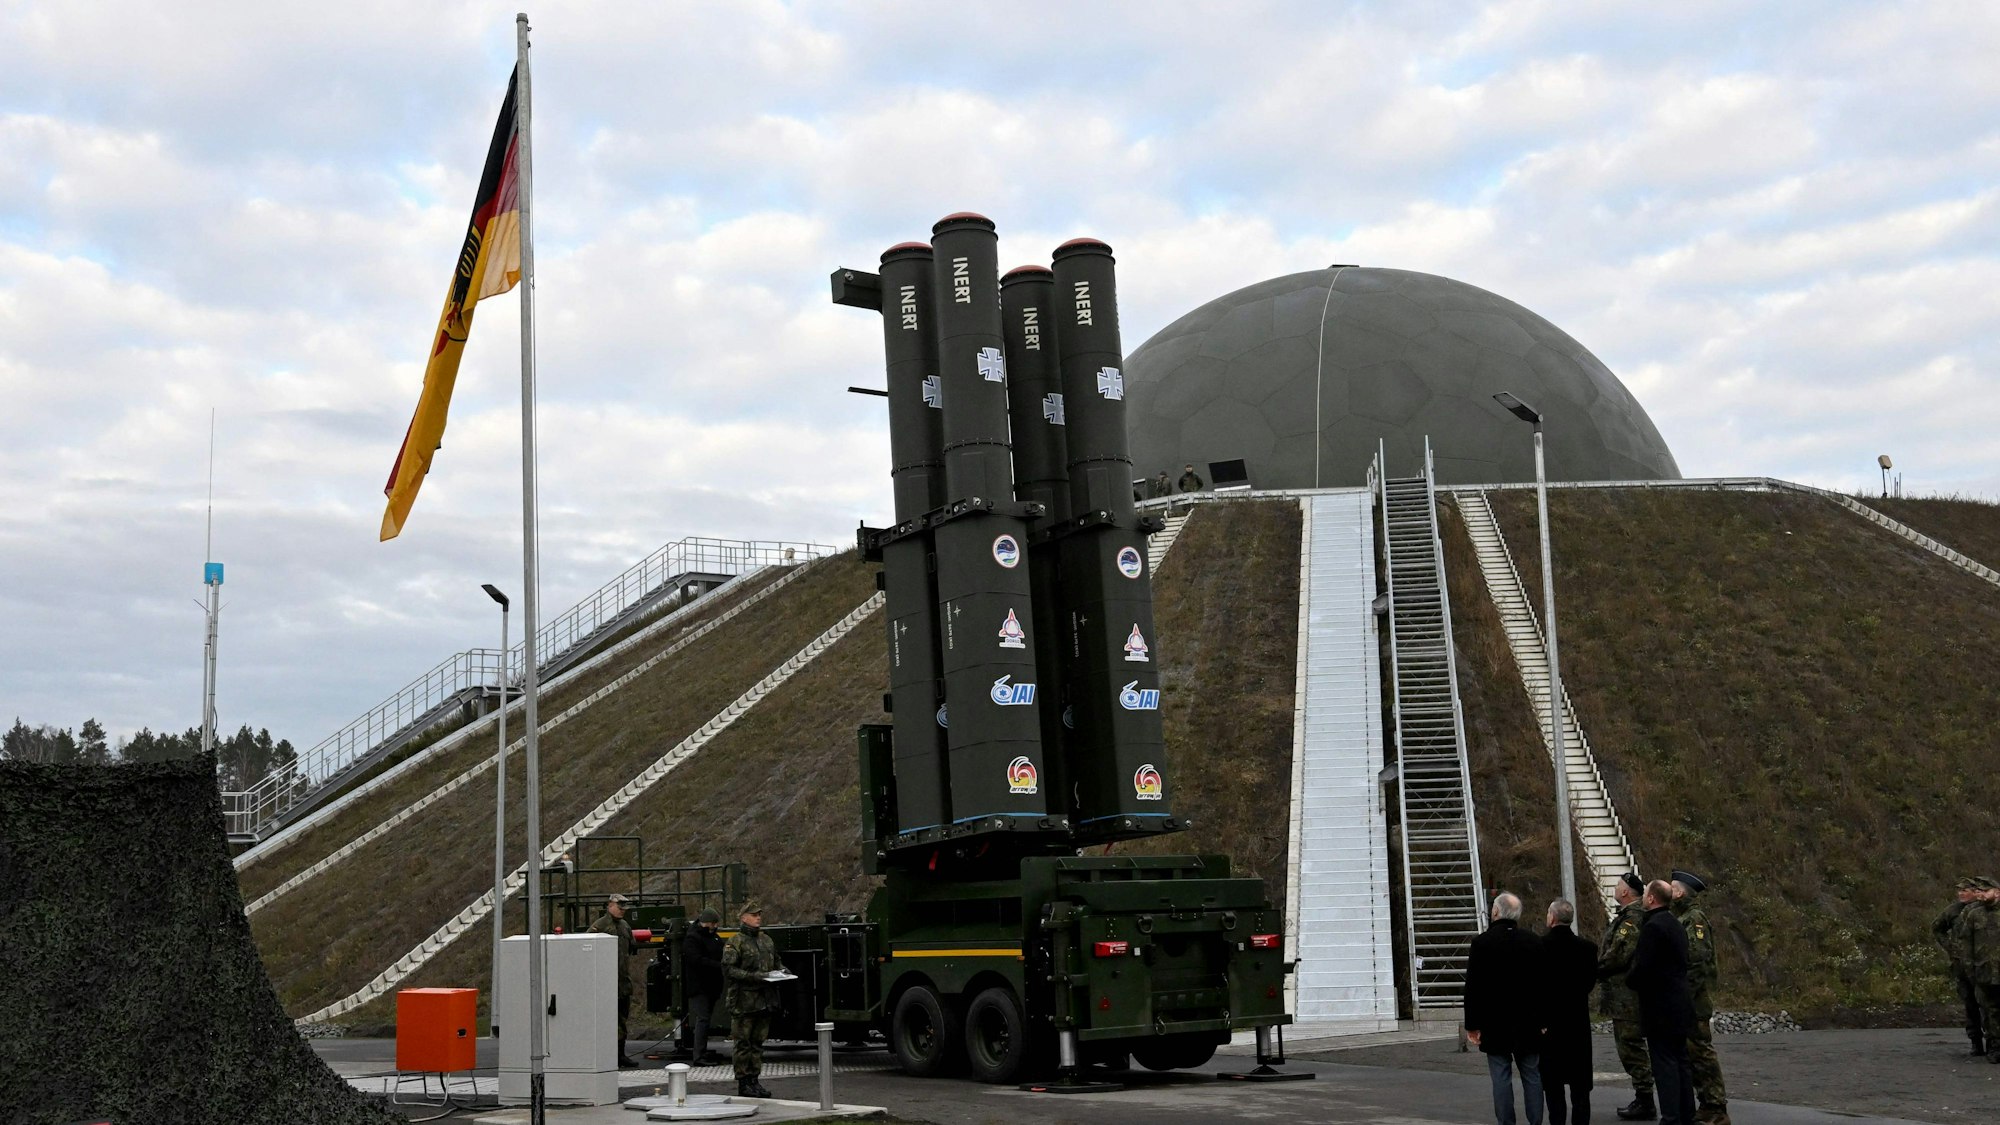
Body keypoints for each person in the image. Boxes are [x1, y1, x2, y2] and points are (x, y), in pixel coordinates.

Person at [1465, 892, 1545, 1125]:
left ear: (1496, 912)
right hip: (1528, 1022)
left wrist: (1472, 1024)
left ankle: (1506, 1122)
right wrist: (1543, 1020)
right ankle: (1536, 1121)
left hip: (1495, 1023)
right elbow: (1543, 985)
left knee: (1500, 1077)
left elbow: (1473, 987)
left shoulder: (1481, 943)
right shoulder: (1533, 941)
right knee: (1532, 1075)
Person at [1627, 880, 1696, 1125]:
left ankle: (1671, 1117)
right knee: (1681, 1063)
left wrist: (1630, 980)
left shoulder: (1653, 927)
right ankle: (1687, 1115)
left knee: (1664, 1065)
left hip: (1660, 1007)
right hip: (1680, 1003)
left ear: (1652, 898)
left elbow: (1643, 967)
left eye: (1645, 893)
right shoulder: (1676, 924)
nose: (1643, 897)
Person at [1670, 870, 1730, 1125]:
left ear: (1680, 892)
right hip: (1689, 1000)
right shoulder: (1682, 917)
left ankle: (1716, 1108)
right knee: (1693, 1056)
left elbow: (1697, 961)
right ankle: (1706, 1105)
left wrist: (1683, 996)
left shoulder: (1694, 919)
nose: (1669, 891)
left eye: (1672, 887)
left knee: (1702, 1055)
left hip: (1694, 1002)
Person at [1598, 873, 1656, 1120]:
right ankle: (1643, 1097)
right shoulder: (1629, 916)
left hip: (1627, 996)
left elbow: (1619, 953)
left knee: (1631, 1046)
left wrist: (1597, 968)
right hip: (1624, 994)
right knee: (1628, 1046)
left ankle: (1645, 1099)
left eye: (1618, 886)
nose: (1615, 889)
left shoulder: (1632, 919)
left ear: (1625, 892)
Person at [1541, 899, 1598, 1125]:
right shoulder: (1588, 948)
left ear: (1553, 918)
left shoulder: (1540, 947)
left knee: (1553, 1084)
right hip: (1577, 1022)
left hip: (1550, 1023)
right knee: (1580, 1085)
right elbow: (1589, 983)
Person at [723, 900, 780, 1098]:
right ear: (743, 918)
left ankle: (754, 1080)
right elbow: (729, 970)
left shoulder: (766, 940)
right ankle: (744, 1082)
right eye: (754, 915)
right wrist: (754, 976)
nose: (758, 918)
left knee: (757, 1043)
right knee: (743, 1044)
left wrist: (782, 972)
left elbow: (777, 962)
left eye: (759, 915)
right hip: (743, 1001)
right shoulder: (735, 942)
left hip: (764, 1000)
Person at [1935, 877, 1985, 1057]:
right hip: (1962, 965)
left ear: (1975, 891)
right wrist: (1950, 948)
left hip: (1984, 964)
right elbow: (1937, 928)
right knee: (1970, 1004)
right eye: (1959, 890)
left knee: (1989, 1004)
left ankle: (1994, 1043)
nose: (1961, 893)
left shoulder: (1985, 909)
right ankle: (1976, 1042)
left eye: (1965, 890)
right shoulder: (1953, 911)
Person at [588, 893, 638, 1068]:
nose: (622, 911)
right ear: (610, 905)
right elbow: (587, 949)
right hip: (605, 982)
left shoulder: (625, 926)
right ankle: (608, 1055)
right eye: (619, 907)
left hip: (622, 981)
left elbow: (631, 948)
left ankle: (620, 1054)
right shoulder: (600, 926)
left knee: (622, 1019)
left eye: (624, 908)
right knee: (609, 1021)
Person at [676, 908, 726, 1065]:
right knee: (702, 1019)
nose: (715, 926)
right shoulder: (693, 938)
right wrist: (717, 965)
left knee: (705, 1019)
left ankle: (701, 1052)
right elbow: (695, 960)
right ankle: (698, 1055)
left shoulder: (714, 937)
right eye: (713, 923)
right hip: (699, 986)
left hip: (712, 985)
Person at [1961, 877, 2000, 1063]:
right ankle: (1995, 1047)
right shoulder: (1974, 915)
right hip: (1984, 973)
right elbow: (1966, 946)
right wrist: (1970, 972)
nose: (1981, 894)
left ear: (1997, 892)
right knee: (1990, 1013)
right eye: (1980, 891)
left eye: (1985, 891)